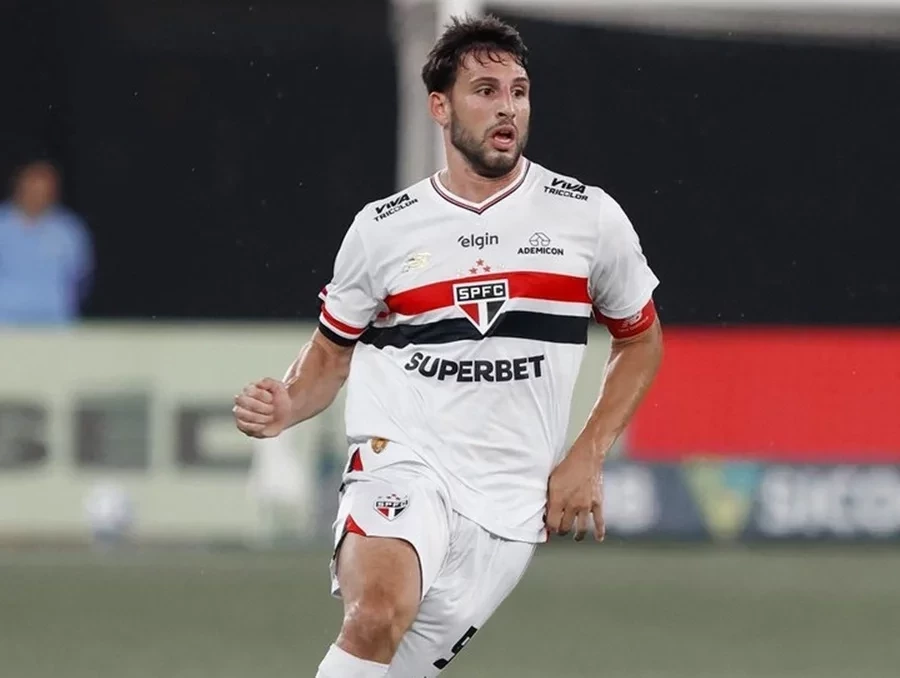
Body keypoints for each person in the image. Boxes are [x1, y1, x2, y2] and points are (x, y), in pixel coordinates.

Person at [233, 14, 663, 677]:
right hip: (402, 458)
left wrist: (588, 453)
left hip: (508, 504)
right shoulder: (383, 229)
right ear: (440, 107)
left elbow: (641, 341)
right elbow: (329, 355)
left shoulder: (588, 217)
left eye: (518, 91)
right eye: (485, 91)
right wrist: (287, 402)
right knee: (375, 614)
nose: (507, 107)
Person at [0, 160, 93, 324]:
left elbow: (82, 277)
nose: (37, 195)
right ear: (19, 188)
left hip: (54, 320)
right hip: (5, 320)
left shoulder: (69, 230)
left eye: (44, 190)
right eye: (32, 188)